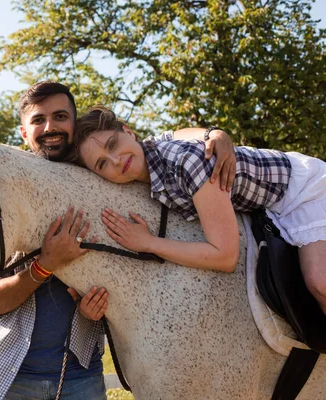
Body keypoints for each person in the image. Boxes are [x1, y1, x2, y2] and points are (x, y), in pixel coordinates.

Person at [0, 82, 237, 400]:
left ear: (74, 122)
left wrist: (214, 135)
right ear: (24, 132)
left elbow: (162, 142)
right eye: (39, 120)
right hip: (12, 373)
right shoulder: (11, 194)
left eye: (60, 116)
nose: (50, 127)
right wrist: (45, 265)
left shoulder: (104, 171)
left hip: (79, 373)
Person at [71, 105, 326, 315]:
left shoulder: (187, 163)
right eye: (102, 164)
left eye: (113, 144)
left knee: (319, 282)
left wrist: (149, 243)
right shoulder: (153, 151)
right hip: (270, 206)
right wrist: (211, 132)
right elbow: (176, 133)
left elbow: (225, 257)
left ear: (128, 132)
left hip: (303, 189)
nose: (116, 161)